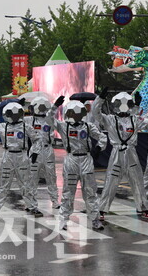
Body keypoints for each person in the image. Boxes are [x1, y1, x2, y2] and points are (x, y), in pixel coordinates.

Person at [93, 89, 148, 220]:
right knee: (111, 181)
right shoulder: (109, 119)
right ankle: (102, 210)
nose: (123, 106)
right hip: (117, 153)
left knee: (138, 181)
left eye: (126, 104)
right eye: (120, 104)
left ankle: (144, 208)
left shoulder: (135, 119)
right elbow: (96, 113)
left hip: (131, 152)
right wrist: (100, 99)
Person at [51, 97, 107, 231]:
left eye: (78, 113)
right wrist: (55, 106)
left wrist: (99, 148)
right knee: (68, 192)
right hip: (71, 159)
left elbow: (102, 137)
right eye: (72, 113)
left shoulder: (88, 126)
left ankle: (95, 220)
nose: (75, 116)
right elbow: (48, 120)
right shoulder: (63, 127)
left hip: (86, 159)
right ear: (68, 114)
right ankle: (63, 220)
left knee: (90, 192)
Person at [0, 101, 43, 219]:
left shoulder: (26, 127)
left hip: (22, 156)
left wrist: (35, 152)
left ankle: (33, 207)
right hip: (8, 156)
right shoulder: (3, 126)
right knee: (3, 185)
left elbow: (38, 139)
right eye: (11, 114)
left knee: (26, 184)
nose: (14, 116)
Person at [25, 96, 60, 210]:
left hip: (48, 149)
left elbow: (53, 115)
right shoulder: (30, 120)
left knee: (51, 176)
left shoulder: (50, 120)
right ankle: (31, 202)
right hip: (35, 150)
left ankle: (55, 201)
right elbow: (17, 121)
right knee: (32, 177)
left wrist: (55, 106)